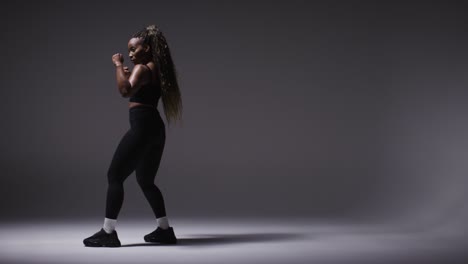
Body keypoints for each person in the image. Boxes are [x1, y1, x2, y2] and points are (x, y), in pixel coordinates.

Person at [83, 25, 183, 247]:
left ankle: (108, 233)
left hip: (143, 127)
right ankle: (165, 230)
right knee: (146, 180)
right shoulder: (155, 68)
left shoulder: (142, 68)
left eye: (133, 49)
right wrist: (127, 75)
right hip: (156, 129)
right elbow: (135, 87)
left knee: (115, 176)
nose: (129, 54)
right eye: (127, 51)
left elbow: (124, 91)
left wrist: (118, 66)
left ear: (146, 48)